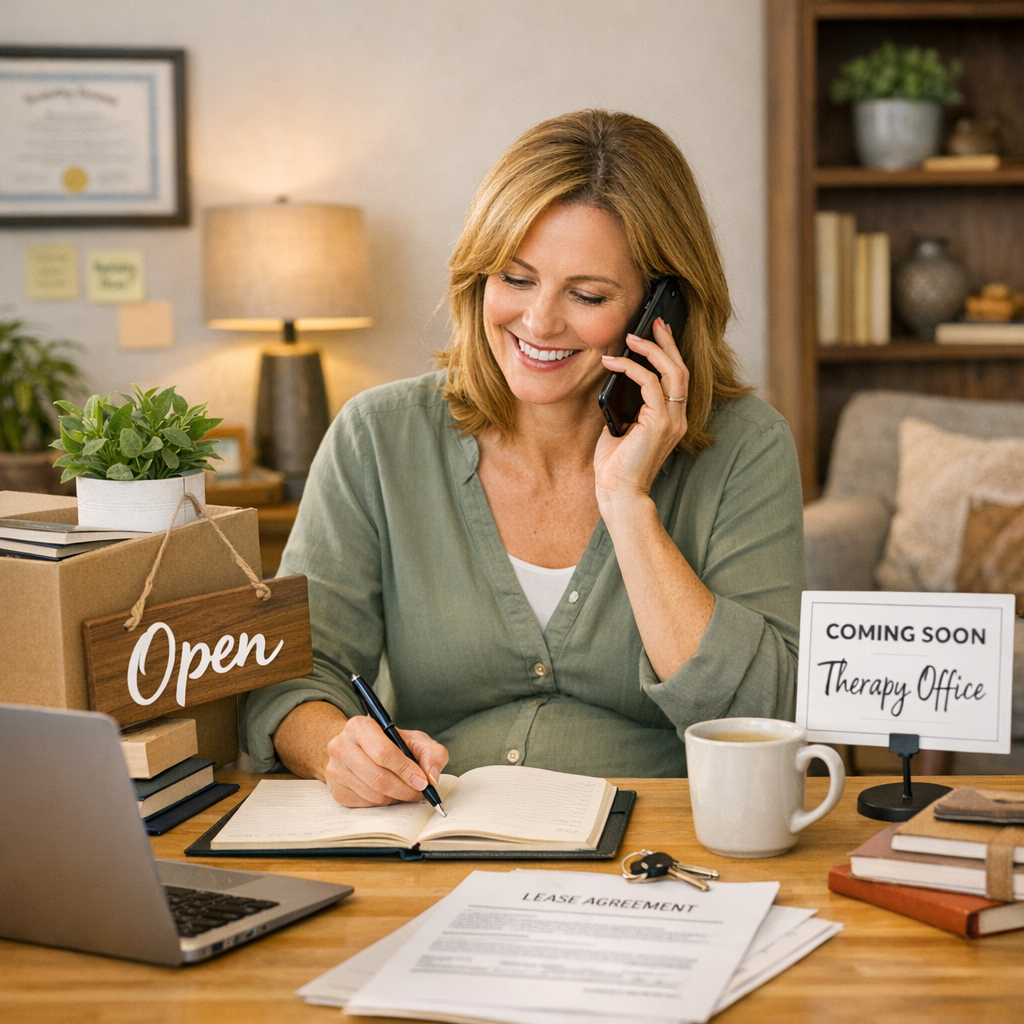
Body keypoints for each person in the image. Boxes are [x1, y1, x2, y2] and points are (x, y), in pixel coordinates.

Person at [240, 109, 805, 807]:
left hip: (661, 851)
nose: (538, 324)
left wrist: (628, 505)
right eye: (515, 279)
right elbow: (297, 674)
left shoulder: (747, 447)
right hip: (438, 837)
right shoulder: (377, 438)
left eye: (588, 295)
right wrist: (339, 752)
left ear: (663, 310)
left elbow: (764, 716)